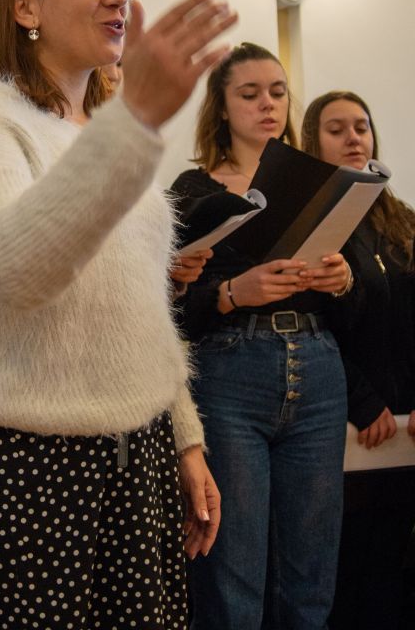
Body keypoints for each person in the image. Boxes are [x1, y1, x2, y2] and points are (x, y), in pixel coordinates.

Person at [0, 0, 237, 629]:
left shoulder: (105, 129)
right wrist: (137, 118)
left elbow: (140, 310)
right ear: (23, 6)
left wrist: (185, 437)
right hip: (20, 462)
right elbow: (12, 269)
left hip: (139, 453)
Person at [170, 42, 353, 629]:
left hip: (318, 369)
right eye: (249, 94)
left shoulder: (319, 184)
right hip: (230, 373)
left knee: (311, 567)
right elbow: (167, 306)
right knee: (234, 566)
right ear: (222, 107)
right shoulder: (192, 189)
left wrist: (342, 279)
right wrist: (231, 293)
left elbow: (365, 301)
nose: (268, 104)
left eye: (277, 92)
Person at [302, 90, 415, 630]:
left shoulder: (403, 222)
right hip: (348, 423)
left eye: (362, 126)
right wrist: (364, 402)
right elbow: (317, 327)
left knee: (396, 573)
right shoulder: (311, 225)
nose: (353, 138)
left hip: (407, 424)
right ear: (312, 143)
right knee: (347, 575)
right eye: (337, 129)